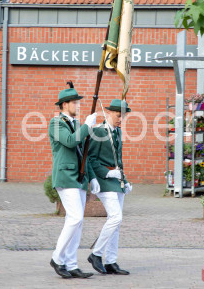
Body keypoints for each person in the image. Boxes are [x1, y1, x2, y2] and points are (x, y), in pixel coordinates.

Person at [48, 83, 98, 279]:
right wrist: (87, 125)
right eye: (74, 103)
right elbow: (70, 141)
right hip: (65, 175)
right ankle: (57, 258)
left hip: (79, 176)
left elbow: (85, 154)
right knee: (75, 217)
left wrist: (92, 177)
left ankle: (71, 263)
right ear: (64, 104)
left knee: (78, 222)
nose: (77, 105)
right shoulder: (56, 123)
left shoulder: (77, 124)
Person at [87, 99, 132, 276]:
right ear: (109, 114)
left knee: (117, 223)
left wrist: (125, 180)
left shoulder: (117, 132)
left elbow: (118, 161)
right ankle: (96, 254)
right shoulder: (99, 131)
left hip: (117, 181)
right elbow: (91, 159)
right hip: (104, 180)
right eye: (118, 116)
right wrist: (103, 175)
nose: (121, 119)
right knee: (115, 217)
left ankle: (111, 261)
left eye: (123, 116)